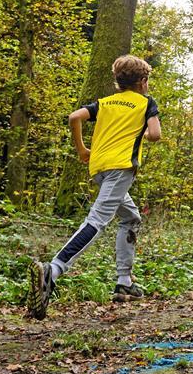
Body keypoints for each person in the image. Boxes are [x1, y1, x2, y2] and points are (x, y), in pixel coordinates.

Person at [28, 55, 161, 320]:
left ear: (117, 82)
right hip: (122, 168)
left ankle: (124, 280)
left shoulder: (105, 103)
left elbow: (74, 117)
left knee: (131, 218)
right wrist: (142, 134)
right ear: (143, 82)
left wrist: (81, 150)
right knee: (97, 221)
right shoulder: (146, 103)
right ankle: (53, 270)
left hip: (99, 168)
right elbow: (155, 134)